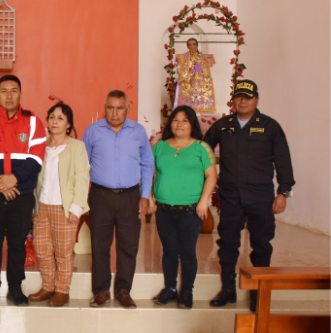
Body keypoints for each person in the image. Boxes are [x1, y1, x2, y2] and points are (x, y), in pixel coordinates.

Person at [203, 79, 295, 312]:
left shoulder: (270, 126)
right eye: (238, 96)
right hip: (231, 196)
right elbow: (203, 151)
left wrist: (283, 192)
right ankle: (228, 289)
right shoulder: (223, 125)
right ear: (233, 100)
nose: (243, 101)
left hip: (260, 197)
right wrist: (208, 180)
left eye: (248, 96)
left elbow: (283, 161)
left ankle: (258, 292)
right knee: (227, 244)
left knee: (261, 244)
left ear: (256, 99)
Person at [0, 75, 46, 306]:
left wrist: (13, 179)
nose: (9, 95)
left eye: (14, 90)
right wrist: (2, 184)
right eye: (4, 91)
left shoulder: (33, 122)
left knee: (17, 242)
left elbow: (36, 158)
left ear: (21, 94)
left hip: (21, 194)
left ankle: (15, 288)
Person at [83, 90, 154, 309]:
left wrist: (145, 196)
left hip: (130, 197)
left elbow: (147, 164)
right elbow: (81, 165)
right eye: (110, 107)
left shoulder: (138, 132)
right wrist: (82, 199)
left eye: (119, 108)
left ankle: (124, 290)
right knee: (100, 245)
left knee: (128, 246)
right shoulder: (92, 131)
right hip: (100, 196)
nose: (114, 113)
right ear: (105, 107)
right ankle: (101, 291)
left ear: (127, 109)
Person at [149, 105, 217, 309]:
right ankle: (170, 289)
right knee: (169, 251)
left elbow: (211, 176)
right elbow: (149, 173)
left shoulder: (202, 148)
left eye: (185, 120)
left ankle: (186, 291)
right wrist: (150, 196)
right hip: (164, 209)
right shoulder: (159, 147)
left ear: (192, 124)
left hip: (191, 209)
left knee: (187, 252)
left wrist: (204, 200)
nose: (179, 124)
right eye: (176, 120)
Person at [28, 102, 90, 307]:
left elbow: (82, 177)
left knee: (63, 252)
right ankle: (48, 286)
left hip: (65, 206)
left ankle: (62, 290)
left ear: (68, 124)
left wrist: (77, 207)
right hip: (42, 205)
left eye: (60, 118)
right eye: (52, 117)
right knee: (42, 248)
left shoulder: (76, 147)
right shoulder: (40, 145)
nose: (55, 121)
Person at [174, 38, 216, 113]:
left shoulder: (205, 57)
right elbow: (178, 70)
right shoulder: (182, 57)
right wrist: (188, 66)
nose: (192, 46)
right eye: (190, 44)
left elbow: (209, 69)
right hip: (187, 83)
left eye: (194, 44)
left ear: (197, 45)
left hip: (200, 84)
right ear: (187, 46)